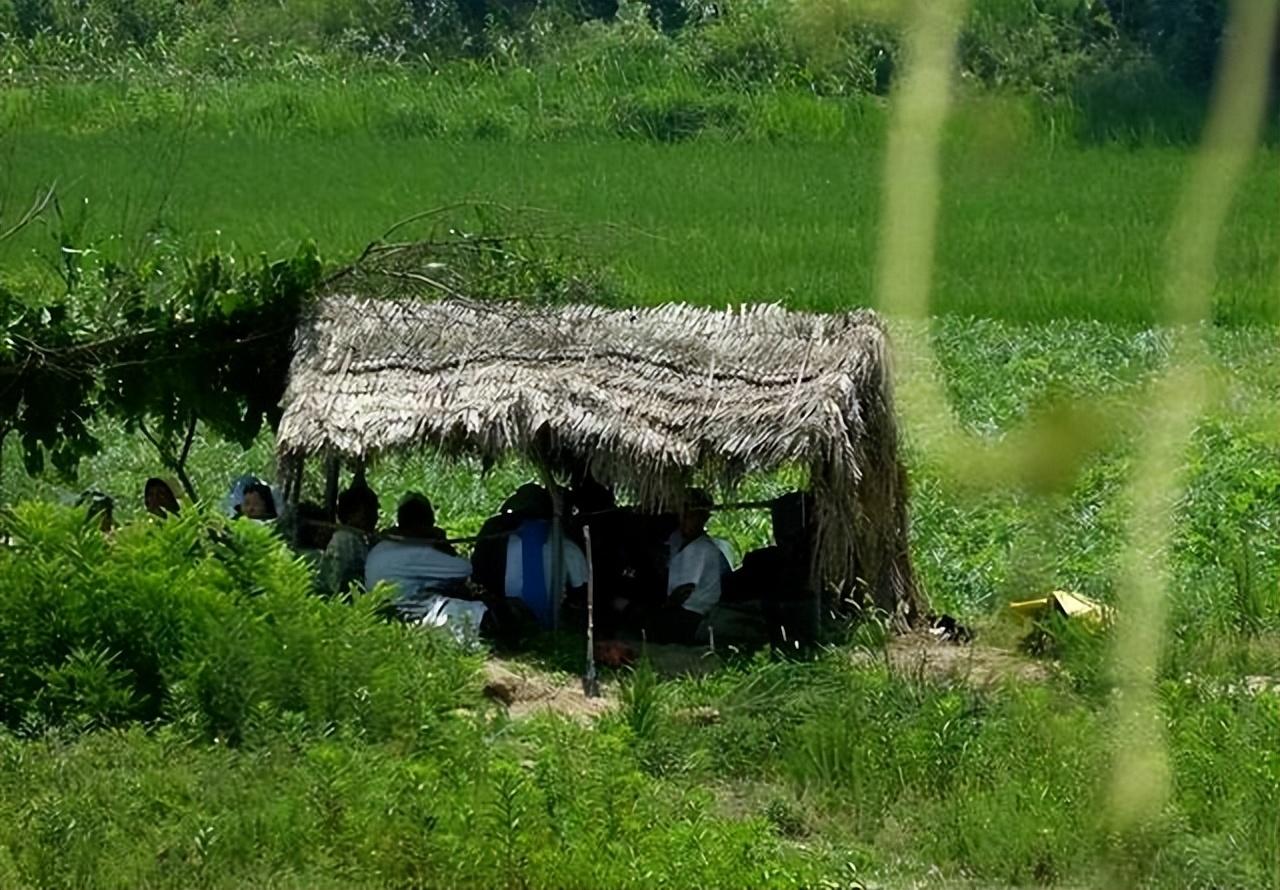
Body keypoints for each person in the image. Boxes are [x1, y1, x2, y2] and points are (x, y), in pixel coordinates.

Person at [365, 493, 472, 617]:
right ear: (427, 525)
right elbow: (465, 569)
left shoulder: (382, 546)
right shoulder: (418, 553)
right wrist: (442, 544)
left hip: (380, 609)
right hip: (404, 612)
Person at [655, 488, 730, 644]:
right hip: (682, 611)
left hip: (696, 614)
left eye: (691, 517)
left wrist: (664, 607)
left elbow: (684, 590)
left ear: (703, 519)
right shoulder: (676, 540)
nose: (685, 521)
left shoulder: (704, 549)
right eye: (682, 515)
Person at [317, 484, 379, 597]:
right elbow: (336, 578)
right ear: (354, 513)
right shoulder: (344, 540)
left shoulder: (360, 539)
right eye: (370, 511)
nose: (375, 517)